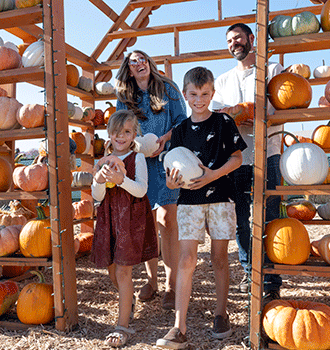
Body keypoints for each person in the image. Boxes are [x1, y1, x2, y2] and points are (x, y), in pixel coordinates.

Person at [156, 67, 245, 349]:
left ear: (212, 94)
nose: (199, 99)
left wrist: (212, 175)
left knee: (219, 258)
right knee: (186, 260)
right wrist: (172, 185)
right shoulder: (179, 131)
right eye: (193, 94)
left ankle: (221, 314)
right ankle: (178, 328)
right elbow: (173, 175)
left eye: (204, 94)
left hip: (220, 197)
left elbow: (237, 158)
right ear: (185, 95)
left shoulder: (224, 122)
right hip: (189, 202)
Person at [211, 23, 283, 299]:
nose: (234, 43)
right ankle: (249, 271)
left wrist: (255, 112)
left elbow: (282, 104)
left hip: (269, 153)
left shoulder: (273, 71)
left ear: (251, 39)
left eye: (238, 38)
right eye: (229, 40)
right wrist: (232, 115)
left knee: (270, 217)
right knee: (241, 219)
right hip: (238, 158)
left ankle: (271, 279)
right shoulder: (223, 80)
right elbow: (217, 116)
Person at [115, 50, 188, 310]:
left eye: (142, 58)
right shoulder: (125, 96)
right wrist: (136, 145)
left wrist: (164, 140)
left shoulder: (168, 88)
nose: (139, 63)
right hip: (140, 165)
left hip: (167, 161)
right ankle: (152, 281)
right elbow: (119, 127)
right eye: (133, 61)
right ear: (129, 68)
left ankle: (171, 285)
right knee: (147, 223)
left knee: (167, 220)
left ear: (149, 62)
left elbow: (182, 122)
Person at [90, 110, 158, 348]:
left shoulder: (136, 158)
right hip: (110, 218)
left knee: (123, 272)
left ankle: (122, 325)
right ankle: (127, 301)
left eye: (127, 132)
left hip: (130, 219)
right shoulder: (103, 160)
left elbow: (141, 190)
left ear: (134, 135)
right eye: (117, 132)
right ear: (109, 134)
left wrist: (121, 180)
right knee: (111, 269)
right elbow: (97, 196)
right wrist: (99, 181)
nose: (121, 137)